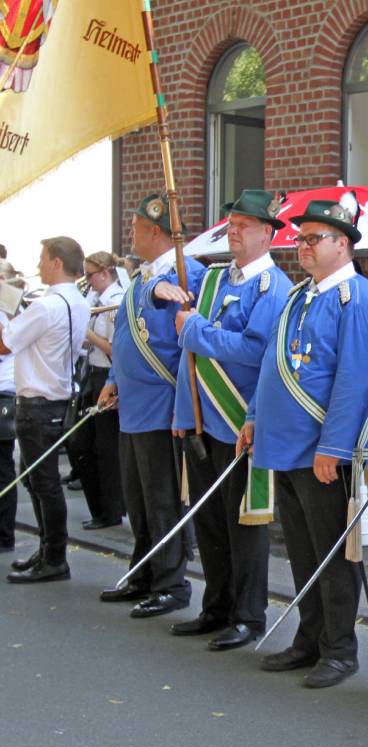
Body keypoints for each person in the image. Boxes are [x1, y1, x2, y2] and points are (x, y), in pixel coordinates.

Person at [238, 195, 368, 689]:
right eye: (300, 238)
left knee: (333, 555)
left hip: (324, 451)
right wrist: (254, 417)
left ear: (342, 244)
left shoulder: (360, 299)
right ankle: (310, 638)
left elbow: (356, 379)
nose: (302, 246)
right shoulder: (300, 295)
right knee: (304, 552)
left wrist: (336, 447)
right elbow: (273, 362)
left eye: (313, 238)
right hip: (287, 443)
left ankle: (340, 649)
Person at [168, 190, 291, 650]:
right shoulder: (216, 279)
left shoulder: (273, 288)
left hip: (239, 419)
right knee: (209, 523)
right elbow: (191, 359)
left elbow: (255, 351)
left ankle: (248, 615)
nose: (233, 232)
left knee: (244, 526)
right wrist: (184, 413)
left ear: (267, 234)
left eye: (243, 226)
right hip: (204, 420)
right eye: (231, 225)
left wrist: (197, 330)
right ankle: (215, 606)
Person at [97, 194, 205, 618]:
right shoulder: (143, 276)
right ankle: (142, 571)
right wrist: (113, 379)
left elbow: (187, 346)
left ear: (156, 231)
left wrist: (184, 406)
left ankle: (170, 583)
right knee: (138, 499)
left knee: (162, 500)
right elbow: (126, 335)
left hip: (162, 403)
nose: (131, 234)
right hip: (132, 403)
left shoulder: (186, 272)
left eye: (136, 227)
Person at [4, 236, 90, 583]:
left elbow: (5, 344)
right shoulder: (76, 301)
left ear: (56, 262)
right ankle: (48, 550)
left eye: (42, 259)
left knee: (44, 483)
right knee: (39, 479)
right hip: (55, 397)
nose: (38, 266)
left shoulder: (47, 305)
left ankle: (54, 557)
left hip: (38, 402)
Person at [69, 251, 126, 531]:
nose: (87, 281)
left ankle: (110, 510)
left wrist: (87, 333)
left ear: (105, 273)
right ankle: (100, 508)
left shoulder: (115, 302)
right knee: (83, 444)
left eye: (90, 275)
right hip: (91, 372)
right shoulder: (94, 299)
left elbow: (115, 349)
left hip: (107, 374)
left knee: (105, 448)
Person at [0, 260, 23, 553]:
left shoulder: (10, 308)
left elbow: (5, 346)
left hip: (4, 392)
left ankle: (4, 535)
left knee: (3, 466)